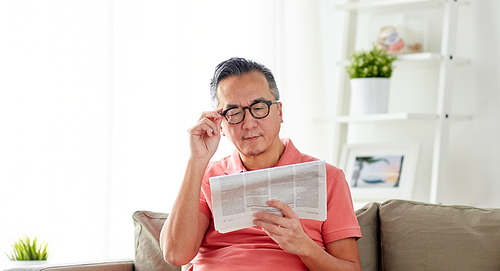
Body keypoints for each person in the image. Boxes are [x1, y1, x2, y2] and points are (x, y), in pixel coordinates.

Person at [160, 57, 362, 271]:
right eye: (234, 113)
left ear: (280, 112)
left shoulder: (328, 177)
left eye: (259, 107)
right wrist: (197, 161)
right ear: (220, 125)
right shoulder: (205, 176)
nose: (248, 124)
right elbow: (175, 254)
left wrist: (304, 246)